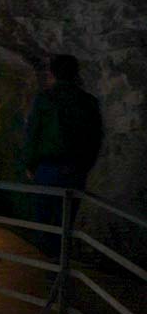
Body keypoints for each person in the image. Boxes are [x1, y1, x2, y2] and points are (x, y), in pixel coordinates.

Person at [23, 55, 102, 257]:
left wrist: (30, 165)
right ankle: (60, 267)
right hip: (75, 169)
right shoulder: (88, 101)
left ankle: (50, 270)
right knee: (66, 222)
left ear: (53, 73)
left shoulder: (45, 99)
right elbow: (95, 137)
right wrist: (85, 166)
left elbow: (33, 134)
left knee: (46, 222)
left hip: (48, 168)